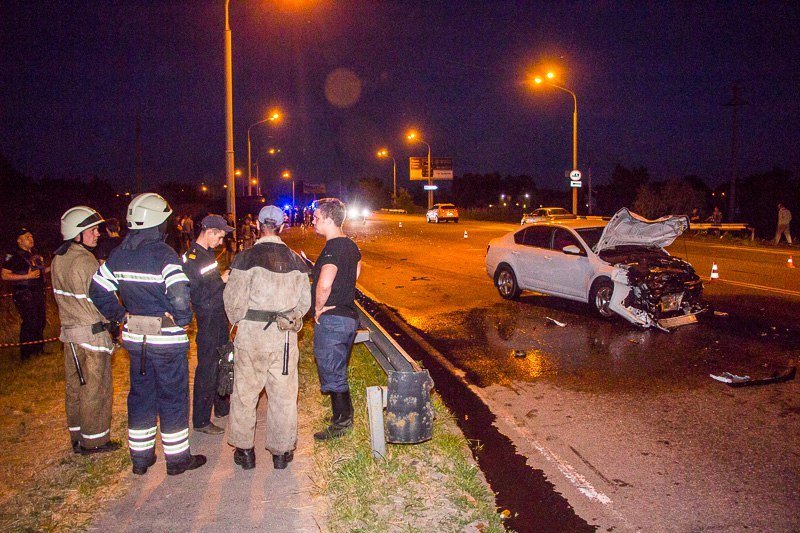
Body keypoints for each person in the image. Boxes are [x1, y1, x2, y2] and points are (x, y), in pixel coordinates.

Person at [89, 192, 206, 476]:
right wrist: (182, 321)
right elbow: (179, 295)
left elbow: (97, 289)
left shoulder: (119, 254)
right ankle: (177, 460)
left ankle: (140, 460)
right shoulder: (163, 254)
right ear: (157, 223)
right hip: (166, 342)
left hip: (136, 341)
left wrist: (122, 316)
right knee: (173, 397)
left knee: (141, 397)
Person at [223, 205, 310, 470]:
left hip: (251, 335)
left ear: (259, 226)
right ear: (282, 226)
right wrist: (290, 318)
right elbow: (304, 303)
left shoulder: (244, 258)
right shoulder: (297, 261)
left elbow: (234, 302)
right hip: (283, 338)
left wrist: (238, 323)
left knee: (245, 394)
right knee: (283, 395)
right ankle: (281, 453)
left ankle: (245, 451)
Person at [52, 206, 121, 455]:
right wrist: (115, 321)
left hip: (70, 334)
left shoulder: (59, 258)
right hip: (91, 334)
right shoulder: (85, 261)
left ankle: (77, 435)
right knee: (96, 387)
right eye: (92, 230)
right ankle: (95, 440)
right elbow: (100, 299)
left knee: (75, 387)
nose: (97, 234)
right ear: (77, 234)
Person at [310, 198, 362, 440]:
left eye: (317, 218)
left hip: (333, 319)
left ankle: (342, 423)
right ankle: (340, 417)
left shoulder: (332, 247)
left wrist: (318, 308)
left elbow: (325, 281)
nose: (314, 221)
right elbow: (357, 269)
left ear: (329, 220)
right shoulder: (351, 246)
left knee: (332, 370)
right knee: (337, 368)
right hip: (349, 318)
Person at [183, 215, 233, 435]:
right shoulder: (192, 258)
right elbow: (196, 294)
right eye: (219, 237)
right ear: (210, 231)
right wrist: (221, 281)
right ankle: (202, 420)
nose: (221, 242)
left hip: (219, 316)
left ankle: (221, 407)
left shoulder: (207, 254)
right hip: (208, 318)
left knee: (224, 360)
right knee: (207, 369)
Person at [1, 228, 48, 360]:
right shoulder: (14, 255)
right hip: (24, 293)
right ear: (19, 240)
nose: (31, 239)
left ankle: (39, 350)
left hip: (38, 291)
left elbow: (40, 272)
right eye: (27, 237)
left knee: (40, 320)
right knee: (30, 321)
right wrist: (27, 276)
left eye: (31, 236)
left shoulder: (33, 254)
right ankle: (26, 354)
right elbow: (5, 275)